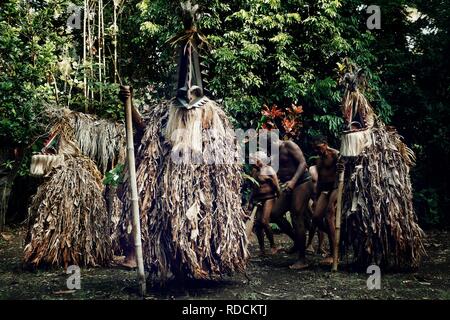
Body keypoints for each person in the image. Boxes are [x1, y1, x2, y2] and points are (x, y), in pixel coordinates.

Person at [263, 132, 313, 270]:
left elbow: (303, 163)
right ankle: (298, 242)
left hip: (302, 182)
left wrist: (293, 181)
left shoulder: (289, 145)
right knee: (275, 214)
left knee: (297, 216)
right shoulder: (273, 153)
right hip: (289, 185)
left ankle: (303, 259)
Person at [311, 136, 339, 265]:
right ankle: (334, 235)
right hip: (324, 190)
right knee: (316, 217)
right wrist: (316, 198)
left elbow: (345, 166)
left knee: (329, 215)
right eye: (315, 148)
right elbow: (320, 181)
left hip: (336, 188)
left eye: (319, 148)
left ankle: (334, 254)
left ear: (325, 145)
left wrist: (342, 166)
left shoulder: (335, 155)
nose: (317, 150)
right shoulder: (318, 160)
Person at [249, 151, 282, 256]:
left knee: (264, 221)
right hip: (259, 199)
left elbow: (277, 186)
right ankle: (262, 250)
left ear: (260, 160)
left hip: (269, 198)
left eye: (254, 160)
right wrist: (251, 201)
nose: (252, 162)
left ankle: (273, 246)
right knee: (258, 225)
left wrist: (280, 200)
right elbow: (253, 188)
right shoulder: (254, 171)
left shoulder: (269, 170)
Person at [305, 165, 327, 255]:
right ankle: (309, 244)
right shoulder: (311, 169)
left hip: (321, 197)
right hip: (311, 197)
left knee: (320, 221)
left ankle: (320, 246)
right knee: (314, 220)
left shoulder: (327, 169)